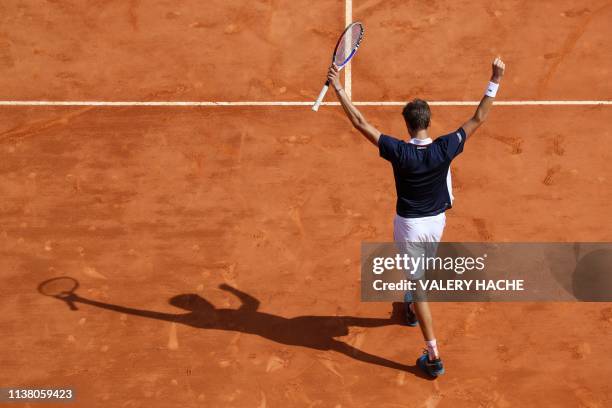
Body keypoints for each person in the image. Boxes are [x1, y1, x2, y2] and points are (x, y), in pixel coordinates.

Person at [326, 57, 506, 377]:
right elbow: (479, 116)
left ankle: (433, 355)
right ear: (428, 122)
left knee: (419, 285)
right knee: (418, 279)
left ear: (408, 126)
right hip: (436, 224)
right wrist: (495, 78)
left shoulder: (400, 151)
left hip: (408, 226)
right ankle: (409, 305)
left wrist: (338, 86)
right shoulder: (445, 147)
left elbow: (360, 123)